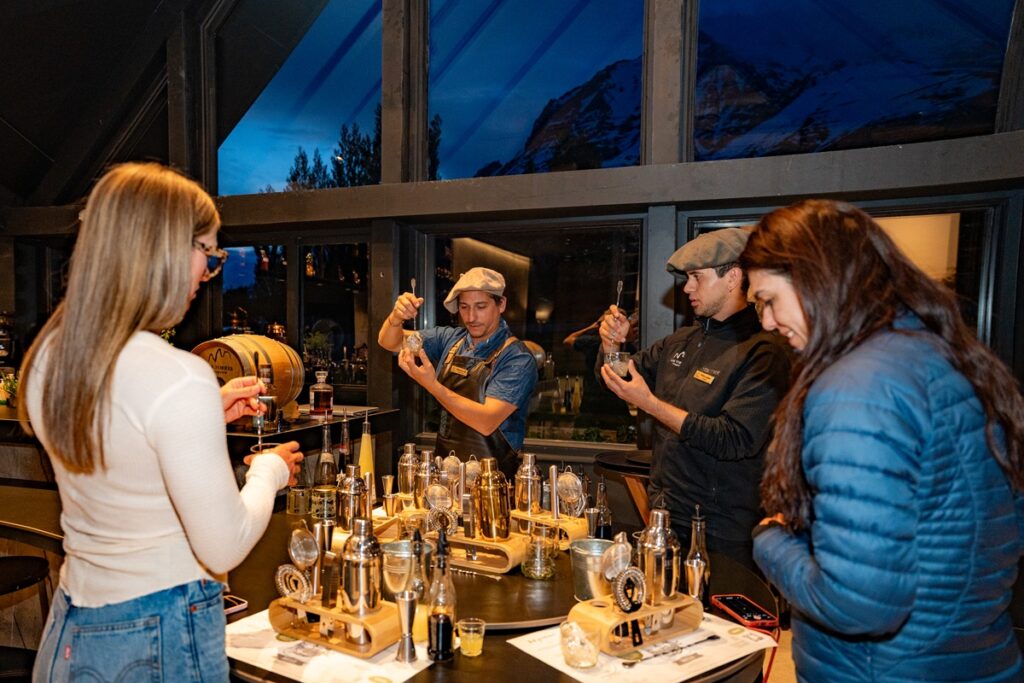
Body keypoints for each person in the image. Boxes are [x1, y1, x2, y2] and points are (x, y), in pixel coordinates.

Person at [19, 162, 304, 682]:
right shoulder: (177, 376)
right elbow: (225, 543)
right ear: (164, 248)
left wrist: (203, 414)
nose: (209, 271)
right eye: (208, 253)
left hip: (72, 623)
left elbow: (114, 449)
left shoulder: (49, 356)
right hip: (157, 631)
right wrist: (268, 472)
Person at [742, 199, 1024, 682]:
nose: (766, 322)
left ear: (816, 278)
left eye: (768, 299)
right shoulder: (944, 356)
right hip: (973, 656)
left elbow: (859, 605)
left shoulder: (857, 389)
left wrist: (770, 539)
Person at [599, 228, 790, 568]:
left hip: (722, 529)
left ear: (732, 278)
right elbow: (622, 378)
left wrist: (650, 404)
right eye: (686, 278)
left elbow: (735, 438)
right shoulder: (680, 342)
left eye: (695, 278)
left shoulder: (763, 352)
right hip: (665, 513)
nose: (686, 288)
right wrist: (612, 346)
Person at [378, 267, 538, 477]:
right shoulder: (451, 339)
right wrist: (396, 318)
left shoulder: (516, 357)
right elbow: (390, 341)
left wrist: (432, 385)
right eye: (464, 307)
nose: (471, 317)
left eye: (480, 306)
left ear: (501, 304)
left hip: (492, 483)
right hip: (446, 472)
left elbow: (486, 421)